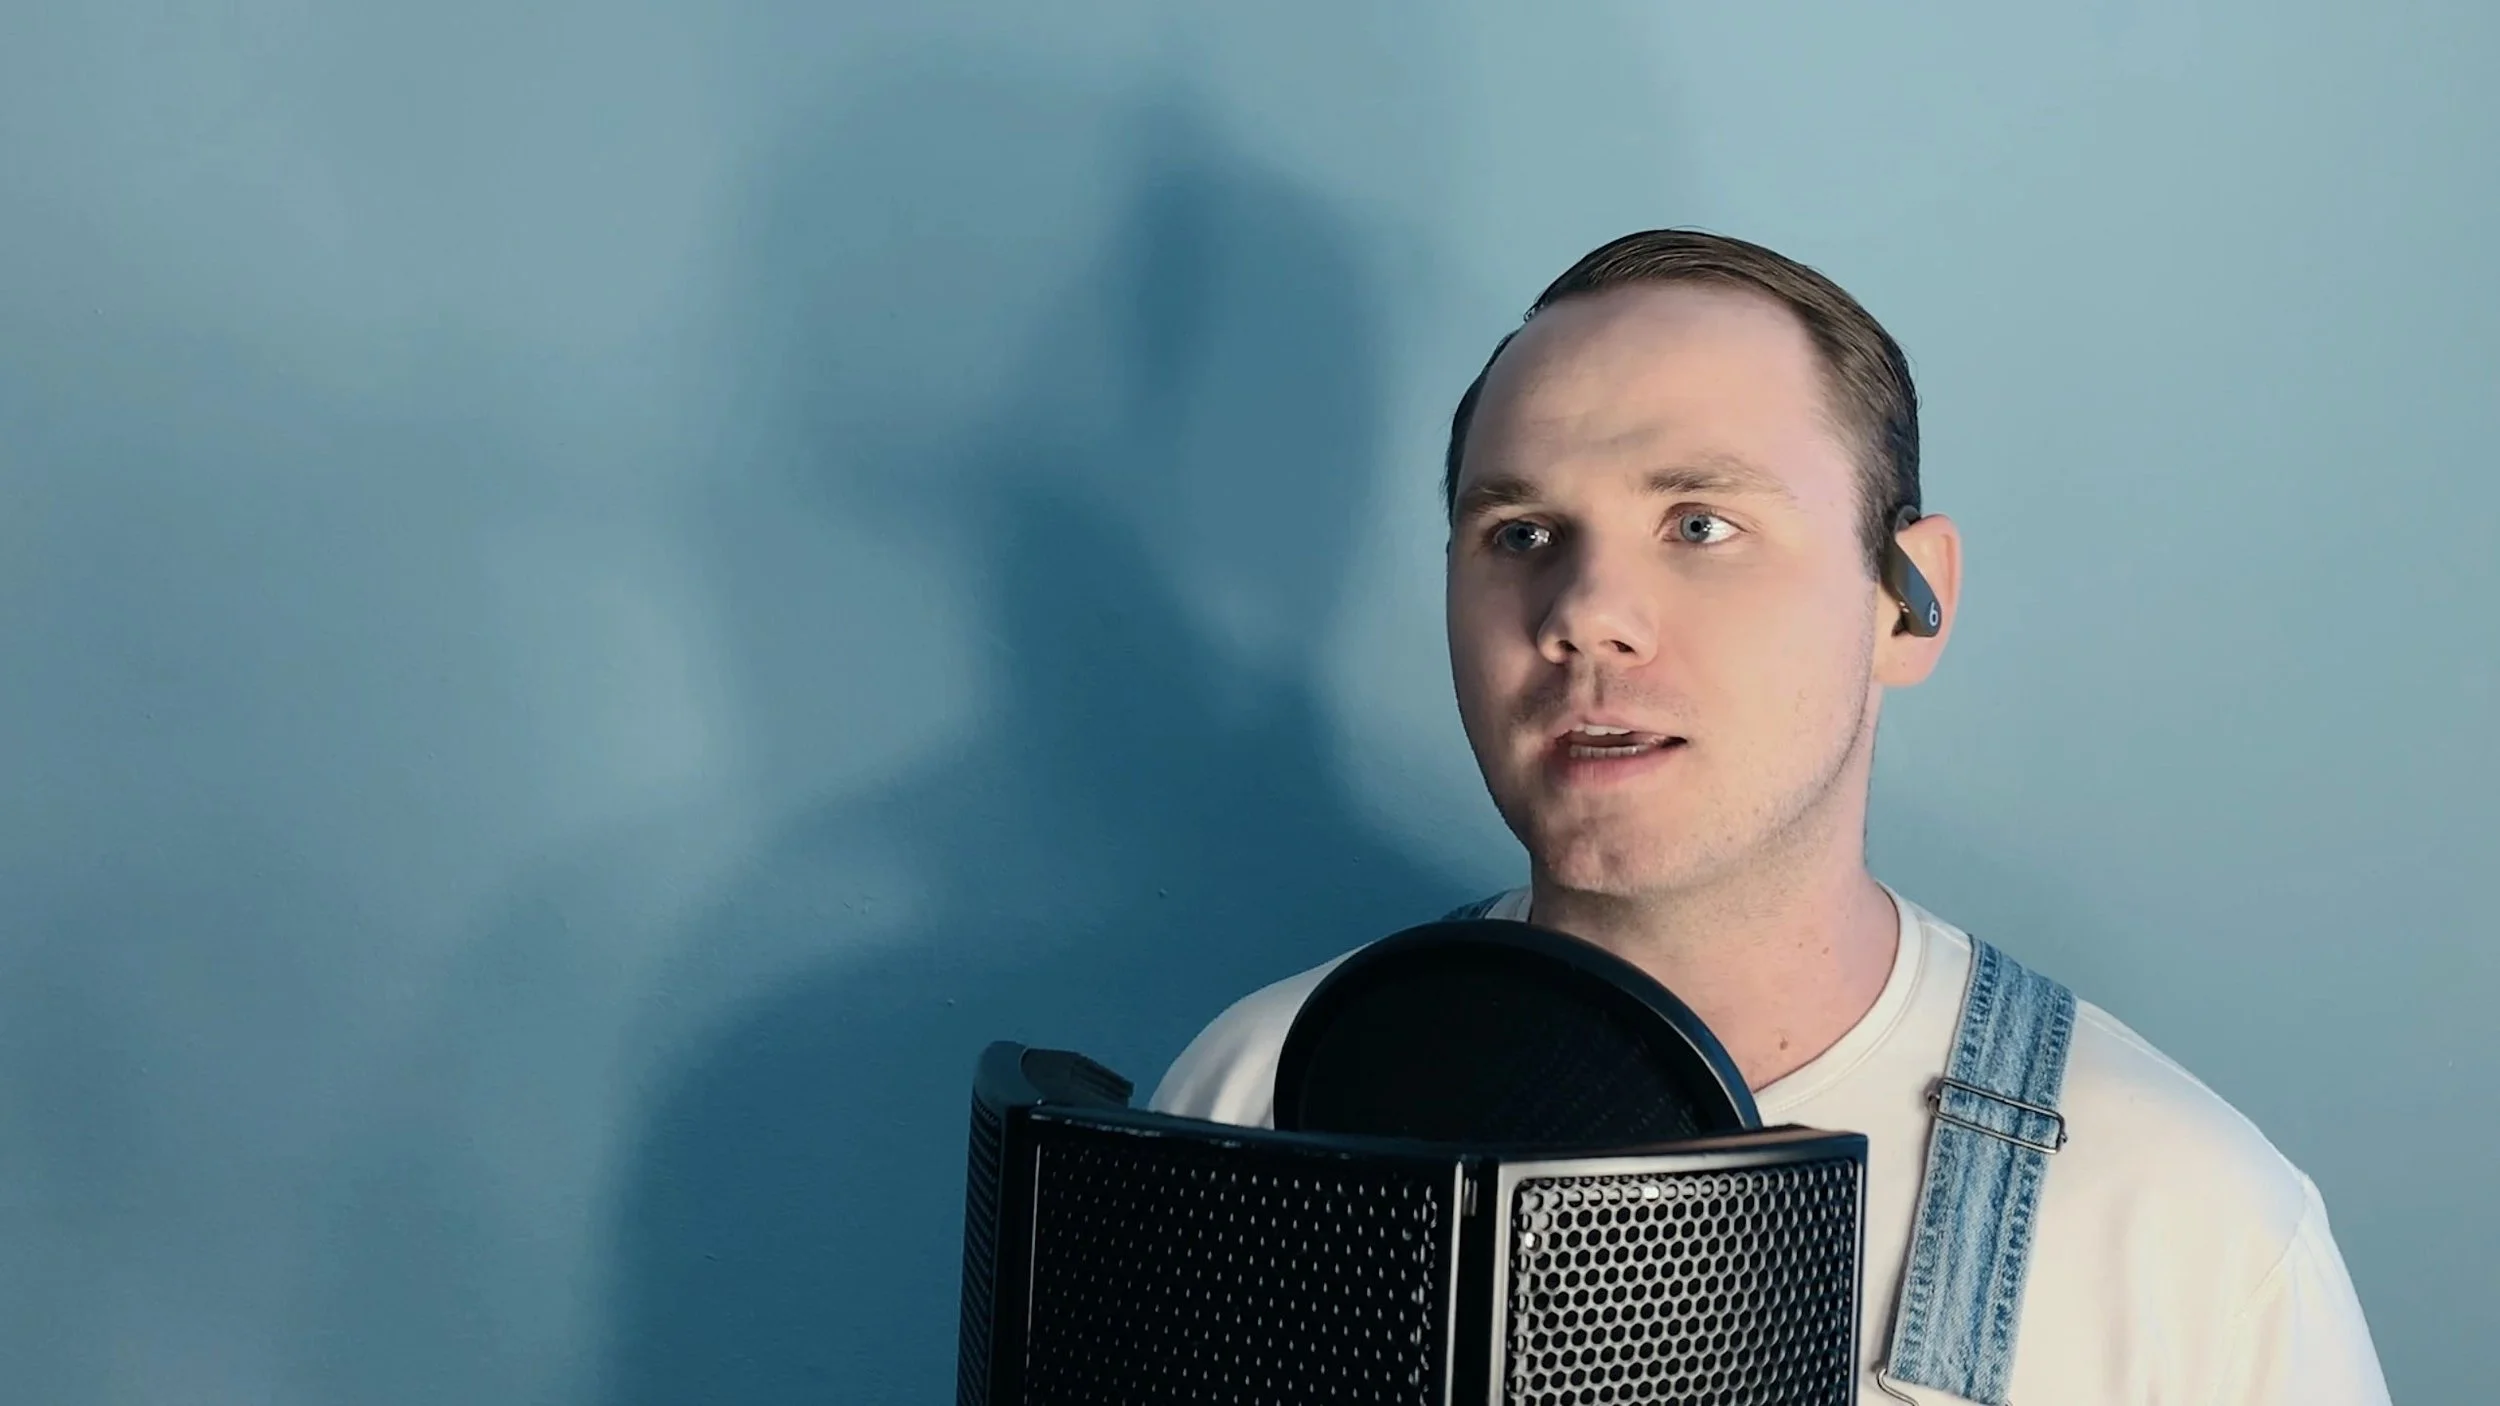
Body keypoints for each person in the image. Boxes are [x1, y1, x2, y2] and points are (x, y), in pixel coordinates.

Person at [1147, 230, 2391, 1404]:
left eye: (1700, 523)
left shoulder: (2195, 1232)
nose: (1586, 612)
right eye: (1519, 532)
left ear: (1908, 600)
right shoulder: (1248, 1106)